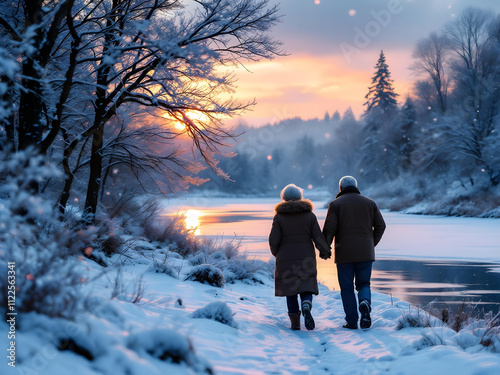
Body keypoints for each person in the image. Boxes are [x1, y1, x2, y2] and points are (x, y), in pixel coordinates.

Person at [322, 176, 386, 329]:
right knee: (364, 283)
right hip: (365, 252)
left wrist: (325, 249)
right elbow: (381, 226)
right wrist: (371, 243)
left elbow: (329, 230)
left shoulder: (335, 205)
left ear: (340, 188)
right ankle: (364, 302)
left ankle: (352, 321)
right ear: (356, 187)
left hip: (344, 253)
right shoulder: (370, 203)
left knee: (347, 288)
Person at [269, 184, 331, 331]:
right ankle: (306, 304)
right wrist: (325, 251)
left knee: (290, 289)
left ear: (284, 198)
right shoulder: (309, 216)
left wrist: (276, 252)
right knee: (306, 283)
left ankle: (295, 323)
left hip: (285, 257)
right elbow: (317, 237)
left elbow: (273, 240)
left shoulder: (279, 217)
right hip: (305, 257)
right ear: (300, 197)